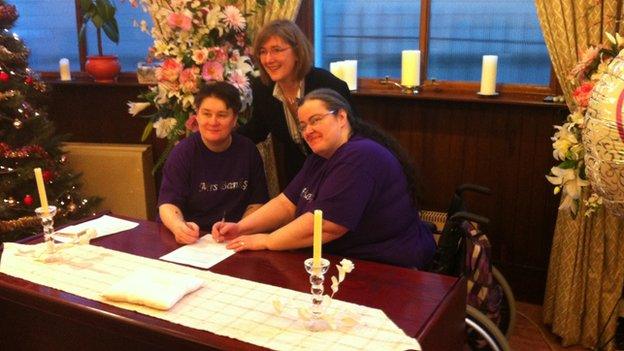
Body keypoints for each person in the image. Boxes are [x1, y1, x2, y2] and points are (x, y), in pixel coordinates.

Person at [213, 88, 435, 269]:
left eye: (315, 120)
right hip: (344, 258)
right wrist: (241, 228)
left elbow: (327, 225)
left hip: (386, 266)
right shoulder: (320, 156)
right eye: (302, 126)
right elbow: (286, 203)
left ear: (341, 117)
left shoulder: (360, 156)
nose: (307, 130)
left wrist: (267, 241)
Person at [238, 19, 353, 186]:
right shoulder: (263, 88)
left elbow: (353, 134)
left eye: (276, 50)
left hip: (339, 169)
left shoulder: (328, 84)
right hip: (298, 175)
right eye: (263, 52)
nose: (268, 59)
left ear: (297, 52)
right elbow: (257, 129)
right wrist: (220, 138)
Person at [158, 82, 269, 244]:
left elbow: (257, 202)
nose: (213, 122)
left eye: (222, 115)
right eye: (206, 114)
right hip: (194, 240)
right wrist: (179, 227)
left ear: (234, 119)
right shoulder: (182, 153)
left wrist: (240, 228)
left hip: (236, 238)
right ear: (197, 116)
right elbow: (167, 204)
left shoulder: (248, 150)